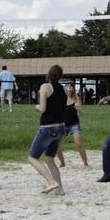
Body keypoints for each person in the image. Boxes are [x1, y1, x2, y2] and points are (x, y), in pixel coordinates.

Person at [28, 65, 66, 195]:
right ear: (60, 76)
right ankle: (60, 189)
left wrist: (36, 107)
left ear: (48, 74)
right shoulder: (64, 89)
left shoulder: (45, 87)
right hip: (61, 127)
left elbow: (43, 108)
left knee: (32, 158)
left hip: (48, 128)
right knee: (50, 159)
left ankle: (51, 182)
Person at [56, 82, 89, 168]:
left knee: (78, 144)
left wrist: (78, 109)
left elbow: (81, 114)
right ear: (64, 88)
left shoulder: (76, 98)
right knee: (56, 145)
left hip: (74, 124)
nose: (69, 87)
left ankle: (85, 163)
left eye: (71, 86)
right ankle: (62, 163)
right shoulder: (61, 99)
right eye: (67, 85)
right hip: (63, 125)